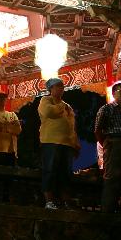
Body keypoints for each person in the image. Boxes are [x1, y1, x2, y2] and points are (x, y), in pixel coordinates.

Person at [94, 82, 121, 215]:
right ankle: (108, 211)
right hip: (113, 142)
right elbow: (98, 129)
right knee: (112, 178)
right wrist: (107, 143)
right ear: (114, 93)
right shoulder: (106, 109)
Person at [38, 77, 80, 210]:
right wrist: (61, 105)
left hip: (67, 144)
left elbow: (72, 125)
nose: (61, 88)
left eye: (62, 86)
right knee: (50, 171)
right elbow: (48, 112)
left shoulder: (68, 106)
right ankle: (49, 201)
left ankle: (65, 200)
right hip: (51, 142)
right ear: (50, 89)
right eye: (58, 86)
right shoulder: (46, 100)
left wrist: (75, 143)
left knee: (65, 173)